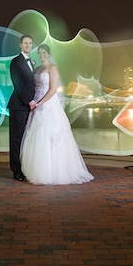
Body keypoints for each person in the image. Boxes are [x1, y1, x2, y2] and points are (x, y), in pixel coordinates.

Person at [20, 43, 94, 185]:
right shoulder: (38, 68)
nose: (42, 55)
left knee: (50, 136)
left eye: (44, 53)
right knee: (36, 135)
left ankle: (53, 171)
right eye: (40, 53)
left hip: (47, 105)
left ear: (48, 54)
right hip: (36, 103)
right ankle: (36, 169)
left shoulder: (52, 68)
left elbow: (53, 89)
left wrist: (40, 103)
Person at [7, 34, 36, 181]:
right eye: (25, 43)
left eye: (30, 43)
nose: (28, 45)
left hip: (29, 106)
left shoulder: (32, 62)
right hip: (19, 106)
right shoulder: (15, 62)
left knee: (26, 139)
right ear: (20, 45)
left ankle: (24, 167)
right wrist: (29, 100)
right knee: (16, 139)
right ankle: (16, 170)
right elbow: (17, 84)